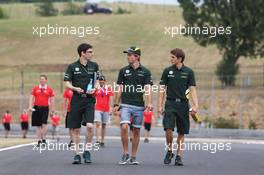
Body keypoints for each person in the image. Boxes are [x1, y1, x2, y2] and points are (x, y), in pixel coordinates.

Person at [158, 48, 198, 166]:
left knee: (181, 131)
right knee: (168, 128)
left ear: (180, 59)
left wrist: (196, 105)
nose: (170, 59)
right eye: (171, 57)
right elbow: (161, 89)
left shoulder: (189, 72)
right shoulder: (167, 71)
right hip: (170, 103)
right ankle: (169, 150)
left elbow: (192, 89)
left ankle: (179, 156)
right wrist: (159, 105)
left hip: (183, 104)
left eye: (173, 57)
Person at [113, 46, 152, 165]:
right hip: (125, 104)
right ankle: (125, 153)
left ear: (137, 57)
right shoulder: (123, 71)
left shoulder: (145, 72)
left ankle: (133, 156)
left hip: (139, 105)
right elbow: (119, 88)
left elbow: (148, 89)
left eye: (130, 55)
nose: (128, 57)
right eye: (128, 55)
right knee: (124, 126)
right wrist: (116, 103)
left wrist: (149, 102)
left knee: (136, 130)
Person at [64, 43, 99, 164]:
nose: (92, 54)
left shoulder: (94, 66)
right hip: (77, 100)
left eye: (92, 51)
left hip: (89, 100)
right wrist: (74, 88)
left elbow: (97, 82)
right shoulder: (72, 66)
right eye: (90, 52)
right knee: (75, 129)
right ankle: (77, 154)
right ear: (82, 53)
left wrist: (95, 88)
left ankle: (87, 151)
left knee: (90, 126)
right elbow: (67, 83)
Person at [28, 74, 55, 147]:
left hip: (45, 108)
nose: (41, 80)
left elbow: (52, 100)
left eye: (43, 79)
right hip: (36, 108)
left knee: (44, 124)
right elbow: (31, 97)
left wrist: (52, 110)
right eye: (40, 79)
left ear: (46, 80)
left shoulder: (49, 89)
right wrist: (30, 106)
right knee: (38, 125)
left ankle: (44, 139)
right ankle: (39, 140)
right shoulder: (35, 88)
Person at [94, 75, 113, 147]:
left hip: (106, 108)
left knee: (104, 125)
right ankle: (98, 140)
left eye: (103, 81)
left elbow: (111, 97)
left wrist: (110, 107)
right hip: (98, 108)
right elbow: (92, 95)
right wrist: (95, 88)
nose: (101, 82)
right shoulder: (96, 88)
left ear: (105, 81)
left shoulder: (108, 88)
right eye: (100, 80)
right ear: (98, 81)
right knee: (98, 124)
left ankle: (102, 140)